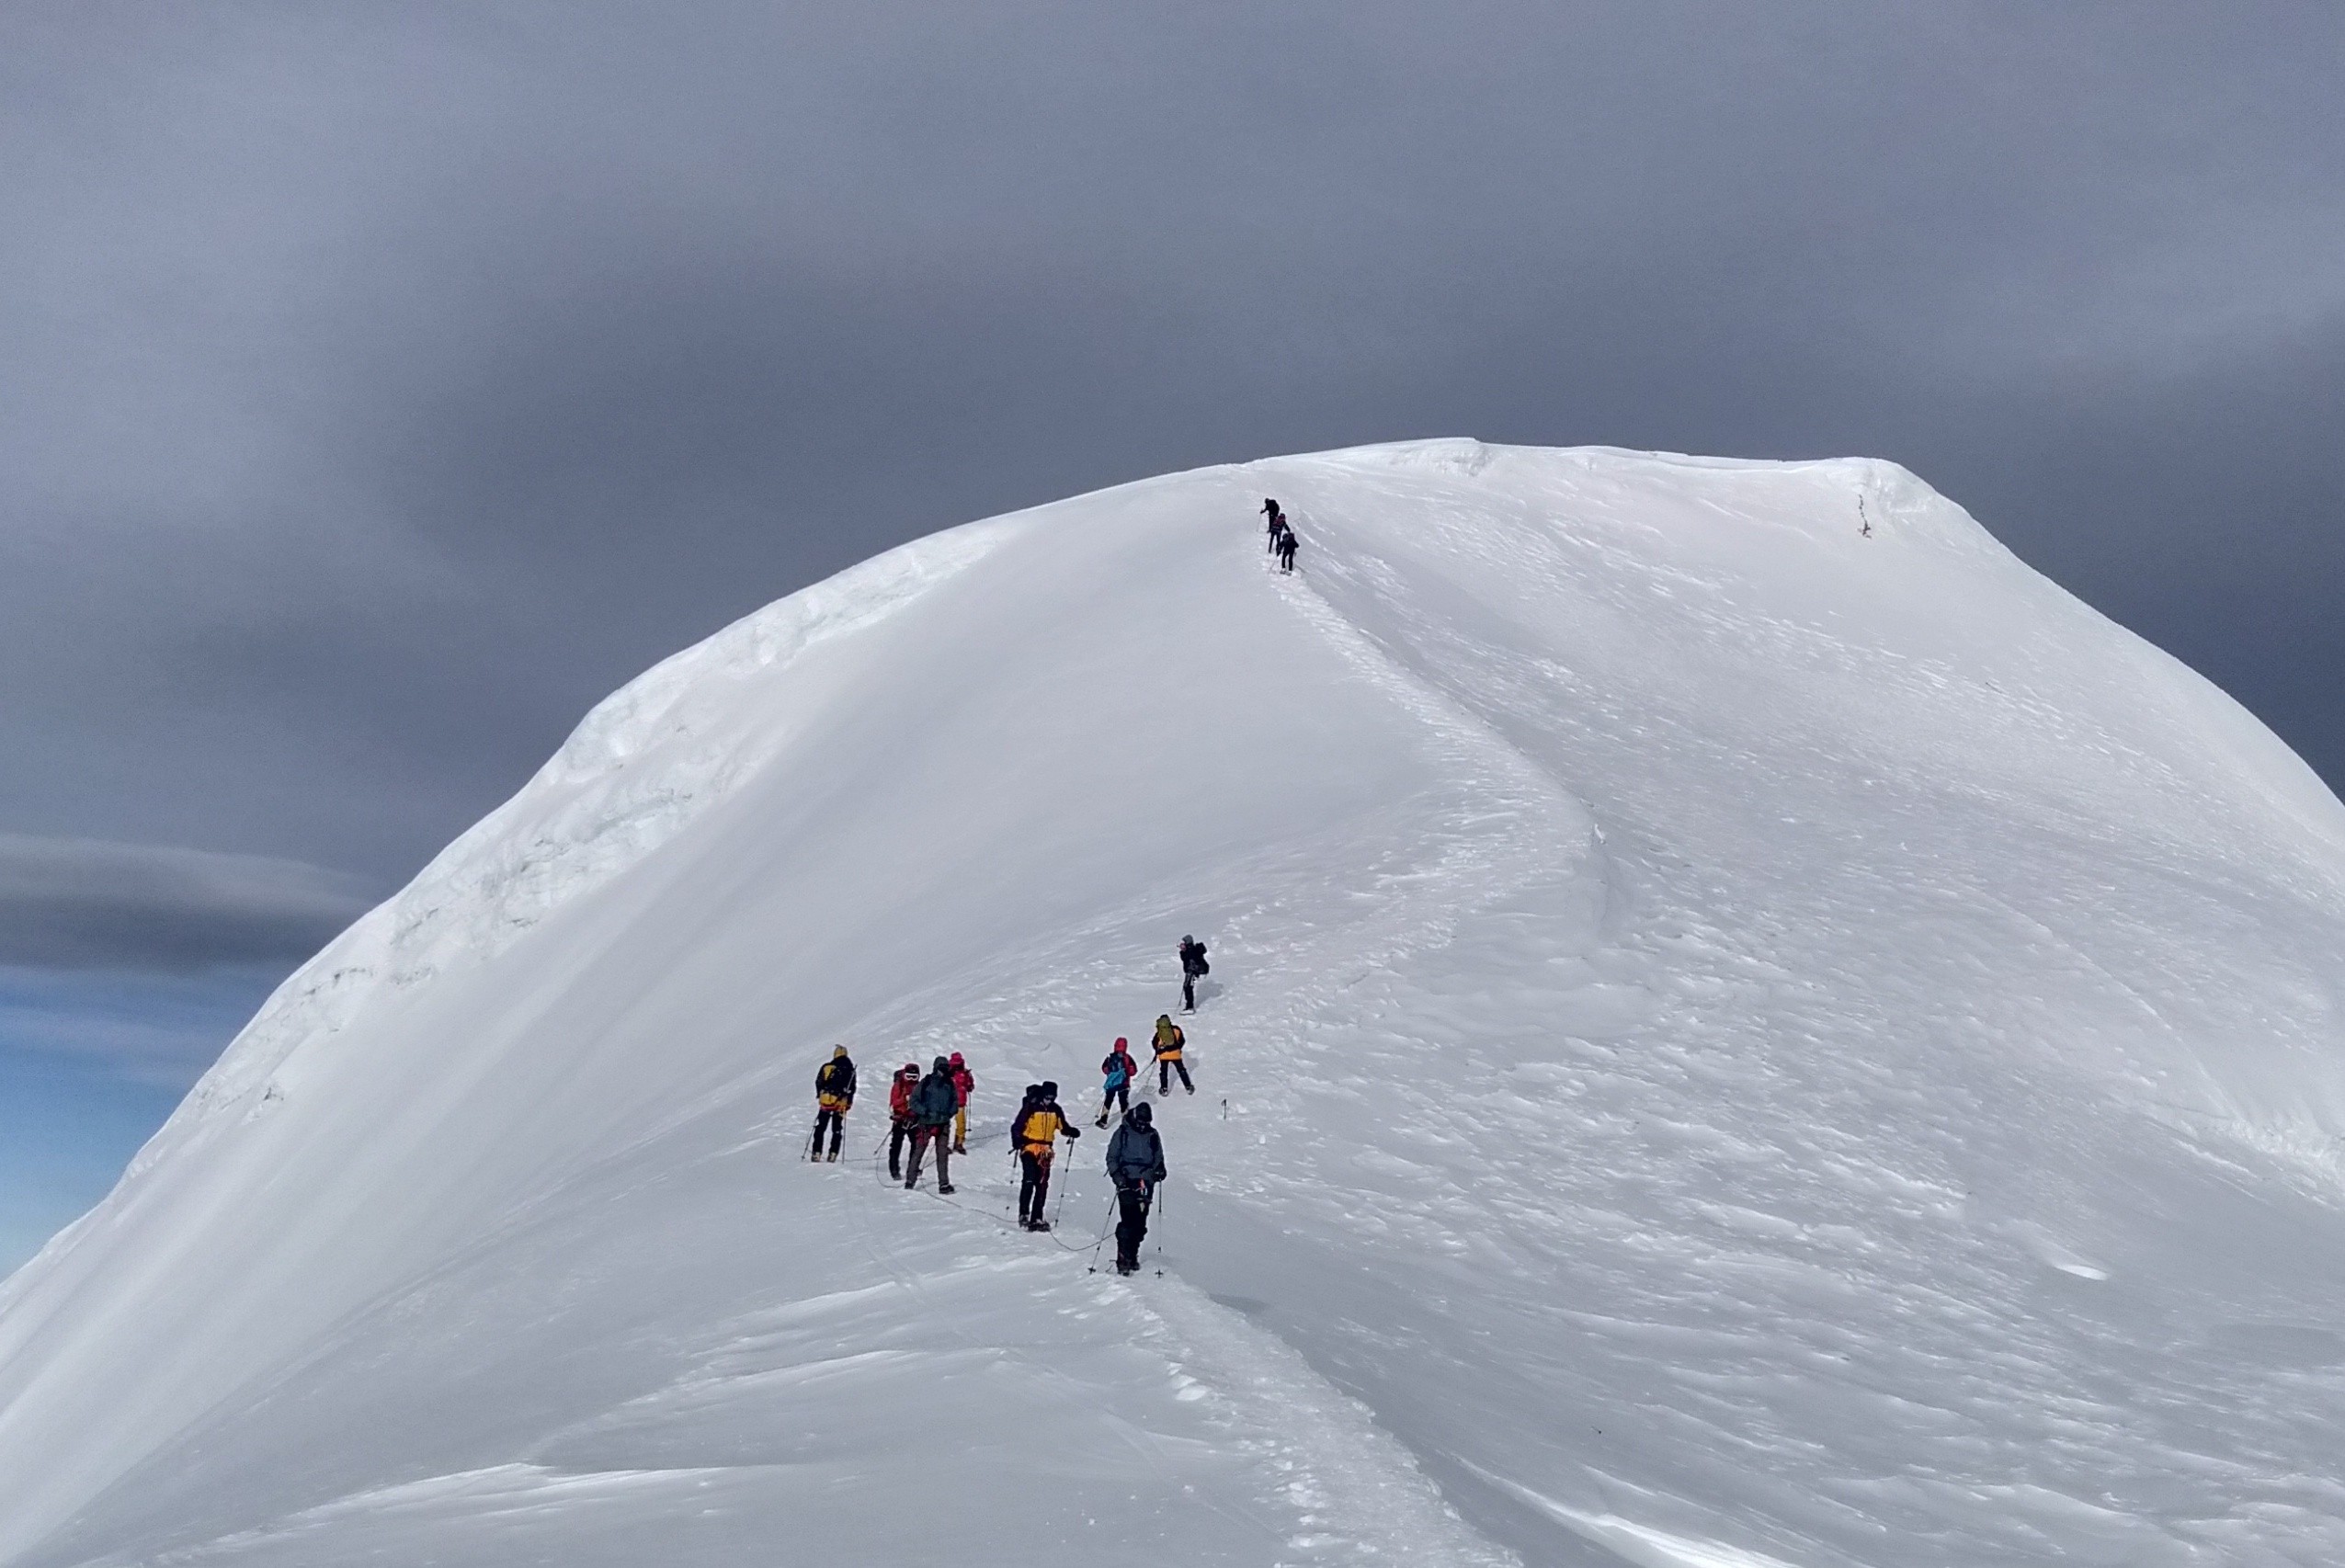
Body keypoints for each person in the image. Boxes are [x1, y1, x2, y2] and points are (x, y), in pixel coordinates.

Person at [1105, 1100, 1167, 1275]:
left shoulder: (1153, 1135)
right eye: (1140, 1122)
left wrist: (1160, 1170)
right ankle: (1123, 1256)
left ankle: (1133, 1253)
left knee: (1140, 1222)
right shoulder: (1123, 1132)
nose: (1142, 1126)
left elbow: (1158, 1157)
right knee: (1128, 1218)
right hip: (1126, 1179)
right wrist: (1117, 1176)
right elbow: (1112, 1156)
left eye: (1145, 1123)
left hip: (1146, 1182)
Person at [1011, 1080, 1080, 1231]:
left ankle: (1037, 1217)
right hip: (1028, 1147)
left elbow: (1063, 1127)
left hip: (1046, 1151)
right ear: (1043, 1095)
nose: (1049, 1100)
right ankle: (1024, 1213)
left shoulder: (1056, 1110)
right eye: (1047, 1097)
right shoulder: (1031, 1107)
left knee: (1041, 1184)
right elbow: (1017, 1126)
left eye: (1052, 1098)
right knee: (1029, 1179)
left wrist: (1071, 1131)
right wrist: (1017, 1141)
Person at [905, 1056, 960, 1193]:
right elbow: (914, 1101)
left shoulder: (950, 1084)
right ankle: (910, 1181)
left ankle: (943, 1184)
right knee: (919, 1151)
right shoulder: (926, 1082)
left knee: (942, 1155)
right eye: (942, 1068)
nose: (944, 1071)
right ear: (935, 1068)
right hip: (926, 1124)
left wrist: (949, 1113)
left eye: (946, 1068)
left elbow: (955, 1101)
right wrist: (924, 1112)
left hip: (943, 1125)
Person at [810, 1044, 856, 1162]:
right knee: (837, 1129)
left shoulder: (828, 1067)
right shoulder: (850, 1070)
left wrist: (820, 1094)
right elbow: (852, 1088)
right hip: (841, 1103)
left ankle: (817, 1152)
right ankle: (833, 1153)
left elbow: (819, 1082)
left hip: (826, 1101)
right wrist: (848, 1103)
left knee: (820, 1128)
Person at [886, 1061, 921, 1181]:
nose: (911, 1079)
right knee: (896, 1145)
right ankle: (894, 1169)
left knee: (916, 1145)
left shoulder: (919, 1086)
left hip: (914, 1119)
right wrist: (905, 1098)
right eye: (909, 1076)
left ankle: (913, 1168)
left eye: (914, 1077)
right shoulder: (899, 1085)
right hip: (900, 1118)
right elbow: (894, 1102)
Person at [1097, 1037, 1137, 1127]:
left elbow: (1104, 1069)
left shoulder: (1110, 1057)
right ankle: (1126, 1121)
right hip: (1124, 1084)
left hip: (1112, 1084)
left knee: (1108, 1100)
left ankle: (1103, 1120)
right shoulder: (1127, 1058)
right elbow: (1133, 1071)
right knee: (1123, 1101)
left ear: (1115, 1046)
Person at [1151, 1013, 1193, 1095]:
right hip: (1176, 1054)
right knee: (1181, 1070)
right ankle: (1188, 1086)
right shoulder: (1176, 1029)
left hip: (1163, 1056)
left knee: (1164, 1072)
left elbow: (1154, 1044)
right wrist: (1177, 1048)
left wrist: (1160, 1050)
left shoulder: (1160, 1032)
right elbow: (1182, 1041)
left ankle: (1164, 1089)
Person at [948, 1051, 975, 1154]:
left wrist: (969, 1085)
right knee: (958, 1124)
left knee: (960, 1124)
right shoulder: (951, 1072)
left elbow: (970, 1085)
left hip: (956, 1102)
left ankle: (957, 1143)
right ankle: (957, 1143)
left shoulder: (963, 1073)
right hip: (952, 1102)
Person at [1178, 935, 1210, 1013]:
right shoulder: (1187, 951)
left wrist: (1195, 974)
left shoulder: (1191, 951)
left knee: (1188, 987)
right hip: (1192, 972)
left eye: (1183, 945)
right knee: (1187, 987)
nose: (1181, 947)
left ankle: (1189, 1007)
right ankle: (1189, 1006)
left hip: (1194, 972)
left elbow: (1194, 962)